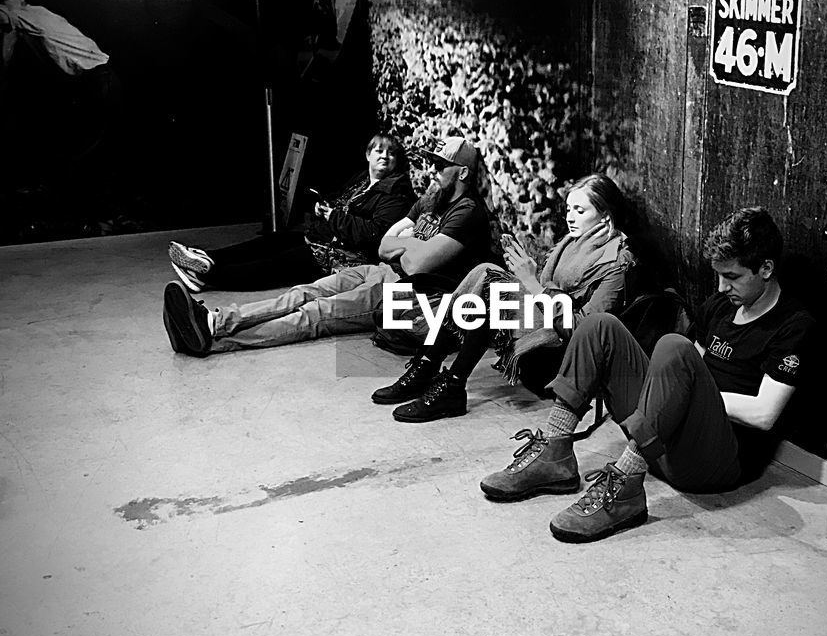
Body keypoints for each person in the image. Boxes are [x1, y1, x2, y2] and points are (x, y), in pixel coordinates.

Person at [477, 206, 814, 543]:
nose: (723, 286)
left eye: (733, 276)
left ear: (766, 268)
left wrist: (689, 397)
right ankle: (555, 452)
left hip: (716, 459)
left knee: (672, 347)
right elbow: (689, 367)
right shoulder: (721, 305)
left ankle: (626, 485)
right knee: (599, 326)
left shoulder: (793, 324)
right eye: (719, 276)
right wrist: (670, 397)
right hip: (664, 439)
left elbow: (764, 414)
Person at [161, 135, 495, 357]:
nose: (433, 171)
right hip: (376, 270)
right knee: (301, 294)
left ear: (463, 172)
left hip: (406, 293)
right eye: (432, 164)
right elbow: (383, 244)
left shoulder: (467, 213)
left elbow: (416, 266)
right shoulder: (431, 199)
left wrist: (402, 246)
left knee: (313, 315)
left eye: (441, 166)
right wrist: (404, 246)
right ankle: (214, 321)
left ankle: (215, 342)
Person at [370, 174, 650, 422]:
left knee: (488, 281)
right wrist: (528, 273)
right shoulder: (572, 243)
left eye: (580, 210)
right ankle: (439, 375)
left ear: (604, 215)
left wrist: (529, 281)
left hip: (562, 354)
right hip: (547, 324)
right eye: (568, 209)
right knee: (485, 286)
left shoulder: (617, 262)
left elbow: (585, 329)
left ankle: (435, 372)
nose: (570, 217)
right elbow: (549, 291)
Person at [166, 133, 414, 292]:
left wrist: (332, 216)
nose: (385, 157)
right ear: (368, 155)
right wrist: (324, 208)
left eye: (391, 154)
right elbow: (343, 205)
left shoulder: (396, 193)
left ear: (396, 161)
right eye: (380, 151)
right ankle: (207, 256)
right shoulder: (362, 180)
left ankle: (207, 275)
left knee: (273, 266)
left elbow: (374, 234)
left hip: (338, 256)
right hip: (323, 238)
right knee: (268, 242)